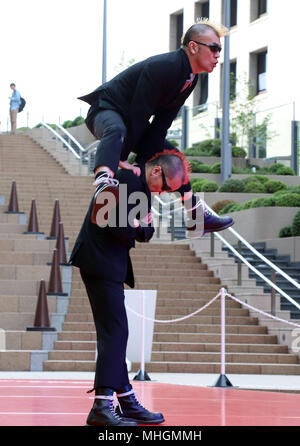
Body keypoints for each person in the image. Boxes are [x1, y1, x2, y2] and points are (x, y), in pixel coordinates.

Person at [78, 19, 234, 236]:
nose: (218, 55)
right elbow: (138, 114)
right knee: (118, 130)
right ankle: (104, 182)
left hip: (133, 122)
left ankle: (195, 213)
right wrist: (120, 159)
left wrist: (143, 169)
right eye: (214, 48)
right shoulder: (164, 67)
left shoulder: (190, 78)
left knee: (172, 158)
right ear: (193, 46)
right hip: (105, 110)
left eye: (220, 50)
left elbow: (160, 126)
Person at [69, 151, 189, 426]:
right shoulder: (124, 179)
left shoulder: (142, 191)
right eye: (168, 187)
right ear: (157, 171)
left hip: (109, 263)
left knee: (116, 332)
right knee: (115, 332)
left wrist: (135, 224)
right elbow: (119, 228)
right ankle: (101, 406)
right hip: (99, 261)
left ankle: (126, 400)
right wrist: (135, 225)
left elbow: (145, 232)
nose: (167, 193)